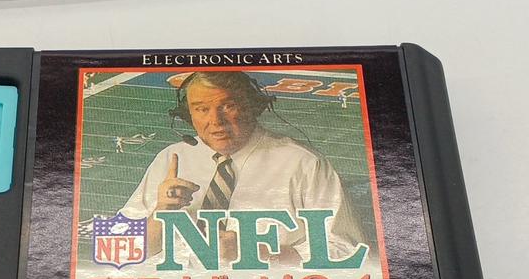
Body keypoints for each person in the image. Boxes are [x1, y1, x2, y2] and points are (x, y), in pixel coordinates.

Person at [116, 71, 366, 267]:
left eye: (228, 106)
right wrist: (161, 214)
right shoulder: (171, 158)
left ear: (252, 106)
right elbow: (119, 248)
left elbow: (347, 250)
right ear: (187, 114)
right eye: (202, 109)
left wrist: (256, 252)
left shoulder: (304, 163)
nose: (215, 121)